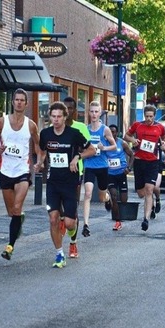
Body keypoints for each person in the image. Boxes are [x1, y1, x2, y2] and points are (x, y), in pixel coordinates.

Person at [37, 101, 96, 268]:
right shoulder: (46, 134)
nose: (55, 120)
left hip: (70, 182)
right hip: (53, 182)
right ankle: (59, 254)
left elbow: (91, 150)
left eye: (58, 117)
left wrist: (78, 157)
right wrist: (40, 162)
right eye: (53, 116)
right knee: (53, 218)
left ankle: (73, 238)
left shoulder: (74, 134)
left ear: (64, 118)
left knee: (69, 222)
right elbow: (42, 150)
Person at [0, 88, 40, 260]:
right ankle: (19, 219)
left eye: (22, 100)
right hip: (5, 171)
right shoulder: (2, 122)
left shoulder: (31, 125)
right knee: (12, 212)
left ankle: (10, 247)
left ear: (26, 104)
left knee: (17, 207)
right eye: (16, 100)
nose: (19, 102)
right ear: (12, 102)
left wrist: (40, 161)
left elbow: (39, 146)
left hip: (22, 171)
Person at [124, 105, 165, 232]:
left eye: (151, 116)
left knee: (149, 190)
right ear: (144, 115)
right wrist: (133, 140)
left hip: (153, 162)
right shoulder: (138, 125)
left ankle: (146, 219)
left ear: (154, 116)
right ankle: (152, 202)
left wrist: (164, 143)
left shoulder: (159, 127)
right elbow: (126, 136)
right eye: (146, 116)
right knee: (141, 193)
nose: (148, 119)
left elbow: (164, 137)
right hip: (139, 161)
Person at [82, 101, 116, 237]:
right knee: (88, 194)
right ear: (88, 112)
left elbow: (114, 146)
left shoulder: (105, 129)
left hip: (102, 166)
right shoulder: (86, 129)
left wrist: (104, 148)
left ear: (100, 112)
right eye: (92, 111)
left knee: (101, 197)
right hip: (89, 165)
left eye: (96, 111)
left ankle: (107, 199)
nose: (94, 114)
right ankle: (86, 224)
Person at [62, 97, 91, 258]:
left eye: (71, 108)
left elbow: (89, 149)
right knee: (57, 209)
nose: (67, 111)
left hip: (75, 174)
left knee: (72, 210)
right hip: (57, 174)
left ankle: (73, 244)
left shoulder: (80, 128)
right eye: (65, 108)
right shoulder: (55, 126)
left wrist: (78, 156)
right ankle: (61, 220)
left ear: (74, 111)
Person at [107, 124, 134, 231]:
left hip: (121, 173)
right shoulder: (104, 143)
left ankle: (111, 204)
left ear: (117, 133)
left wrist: (129, 168)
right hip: (110, 174)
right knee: (114, 195)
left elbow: (132, 155)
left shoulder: (122, 143)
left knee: (123, 200)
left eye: (114, 132)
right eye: (110, 132)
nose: (112, 134)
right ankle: (117, 221)